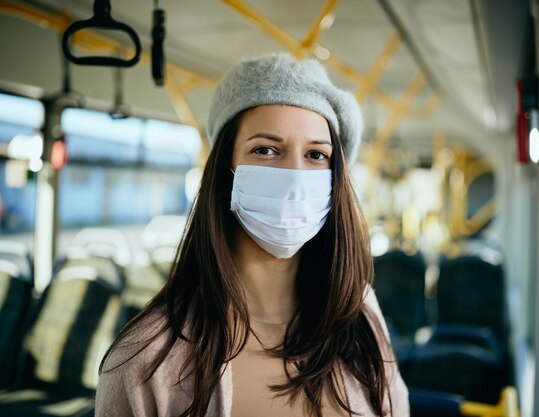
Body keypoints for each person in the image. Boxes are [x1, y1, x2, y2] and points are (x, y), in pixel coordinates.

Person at [95, 53, 409, 417]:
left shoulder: (361, 315)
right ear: (224, 170)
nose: (294, 177)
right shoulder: (144, 361)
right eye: (265, 150)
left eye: (316, 155)